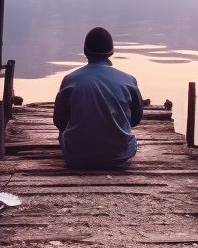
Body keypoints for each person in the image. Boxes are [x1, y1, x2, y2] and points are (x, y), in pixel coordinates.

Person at [53, 27, 143, 169]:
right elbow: (136, 119)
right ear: (111, 52)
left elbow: (59, 122)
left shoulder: (70, 80)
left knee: (63, 132)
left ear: (85, 51)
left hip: (77, 157)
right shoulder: (128, 80)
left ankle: (83, 147)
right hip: (120, 156)